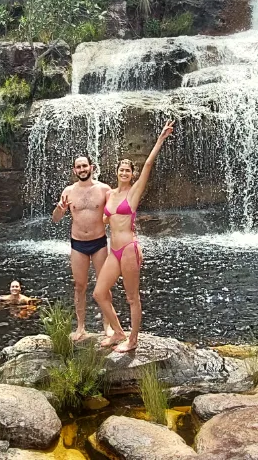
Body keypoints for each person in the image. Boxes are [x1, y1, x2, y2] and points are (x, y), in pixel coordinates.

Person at [94, 120, 174, 353]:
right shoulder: (109, 194)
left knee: (132, 297)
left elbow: (148, 164)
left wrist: (161, 138)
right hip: (114, 251)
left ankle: (133, 340)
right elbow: (105, 218)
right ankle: (119, 332)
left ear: (132, 174)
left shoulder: (134, 192)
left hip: (129, 248)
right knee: (99, 293)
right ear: (117, 172)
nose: (124, 173)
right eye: (121, 170)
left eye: (128, 171)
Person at [52, 155, 124, 342]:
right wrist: (60, 209)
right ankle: (81, 327)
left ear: (92, 167)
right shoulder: (68, 191)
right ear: (74, 170)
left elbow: (114, 214)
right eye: (78, 167)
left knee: (104, 285)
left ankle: (107, 325)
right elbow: (56, 219)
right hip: (78, 243)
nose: (82, 169)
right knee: (79, 286)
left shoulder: (104, 189)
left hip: (99, 242)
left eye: (85, 166)